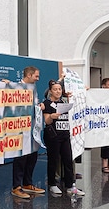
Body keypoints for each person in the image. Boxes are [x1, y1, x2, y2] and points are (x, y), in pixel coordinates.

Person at [42, 80, 85, 196]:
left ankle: (70, 185)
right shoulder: (46, 104)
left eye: (59, 89)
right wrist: (52, 116)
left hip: (65, 136)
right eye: (55, 89)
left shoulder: (64, 103)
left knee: (68, 160)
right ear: (50, 91)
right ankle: (52, 184)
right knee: (53, 161)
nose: (58, 91)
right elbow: (46, 121)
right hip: (53, 137)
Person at [11, 66, 46, 199]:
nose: (38, 78)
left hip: (32, 128)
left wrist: (39, 105)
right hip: (20, 128)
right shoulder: (16, 88)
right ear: (29, 75)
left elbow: (34, 103)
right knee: (20, 157)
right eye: (36, 76)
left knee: (32, 156)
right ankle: (16, 186)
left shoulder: (33, 88)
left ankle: (27, 183)